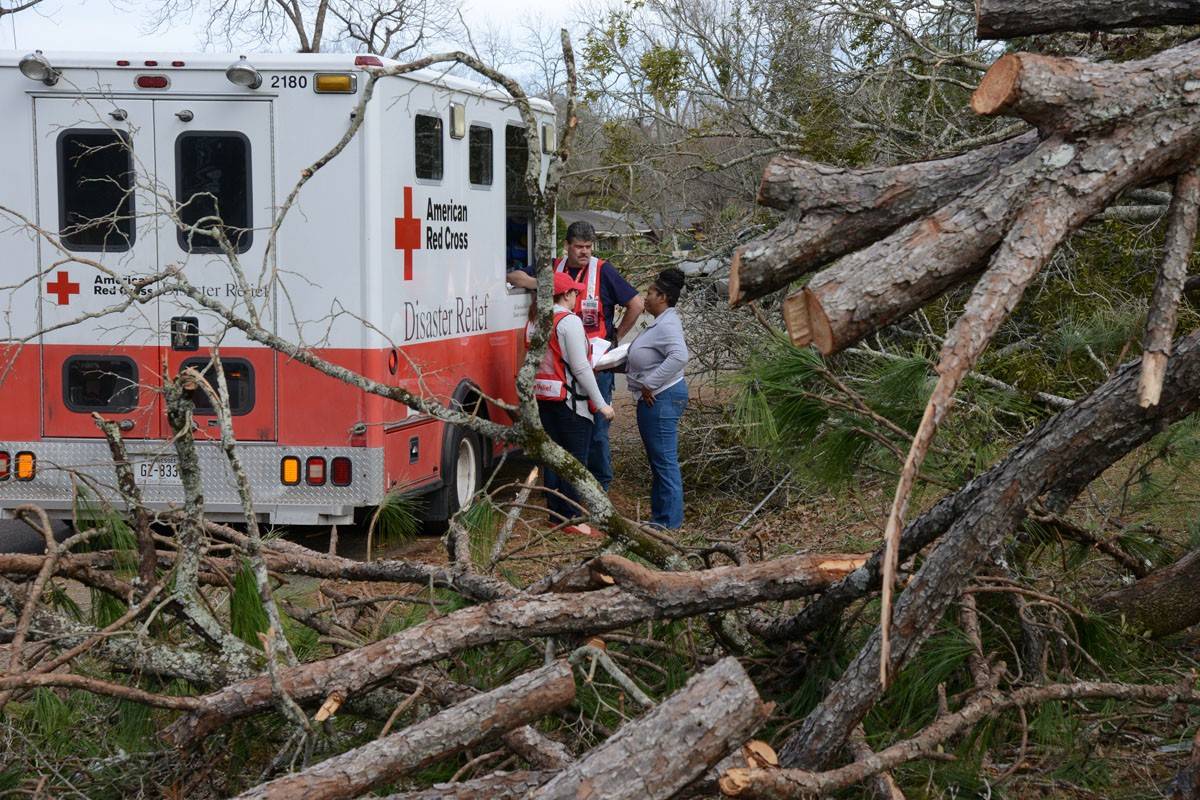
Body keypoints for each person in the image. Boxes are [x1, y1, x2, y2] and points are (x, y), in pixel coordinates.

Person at [533, 271, 616, 530]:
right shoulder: (568, 322)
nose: (576, 298)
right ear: (566, 294)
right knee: (574, 462)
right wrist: (601, 403)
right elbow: (581, 368)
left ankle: (556, 514)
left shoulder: (537, 320)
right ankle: (571, 518)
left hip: (546, 398)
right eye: (574, 293)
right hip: (571, 401)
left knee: (554, 459)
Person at [626, 268, 688, 529]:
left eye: (650, 293)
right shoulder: (661, 321)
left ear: (662, 297)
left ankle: (669, 523)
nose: (646, 297)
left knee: (664, 461)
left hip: (661, 398)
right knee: (658, 460)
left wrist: (650, 384)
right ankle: (660, 518)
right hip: (655, 397)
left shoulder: (668, 324)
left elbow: (679, 356)